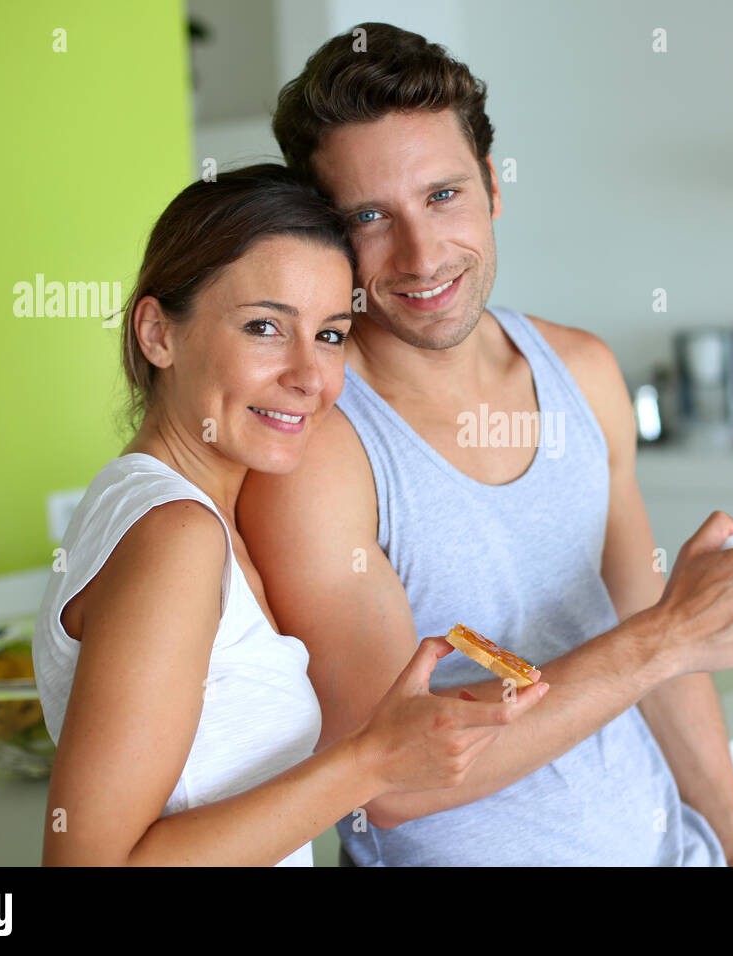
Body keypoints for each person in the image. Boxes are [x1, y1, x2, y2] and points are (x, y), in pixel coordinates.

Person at [236, 24, 733, 866]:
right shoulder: (319, 456)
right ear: (327, 238)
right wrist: (668, 636)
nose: (422, 255)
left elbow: (661, 653)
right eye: (371, 216)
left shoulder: (585, 373)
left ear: (493, 186)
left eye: (444, 196)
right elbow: (392, 783)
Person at [32, 165, 547, 866]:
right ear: (158, 334)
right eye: (265, 327)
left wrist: (410, 738)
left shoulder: (162, 507)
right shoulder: (175, 536)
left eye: (331, 335)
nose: (309, 376)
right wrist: (371, 762)